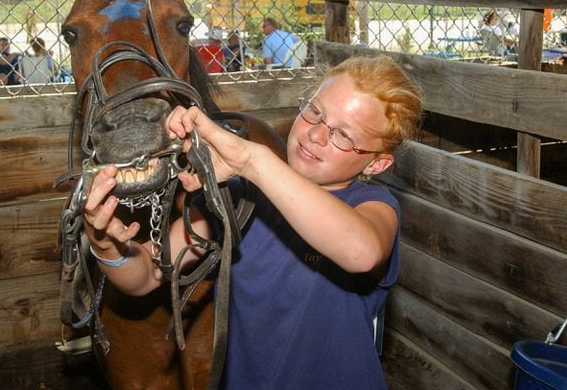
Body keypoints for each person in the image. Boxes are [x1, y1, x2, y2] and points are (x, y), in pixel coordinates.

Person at [82, 55, 423, 389]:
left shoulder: (373, 206)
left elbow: (360, 251)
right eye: (315, 112)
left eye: (343, 136)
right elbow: (147, 275)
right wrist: (104, 244)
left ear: (376, 165)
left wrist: (250, 159)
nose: (316, 135)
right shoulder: (240, 198)